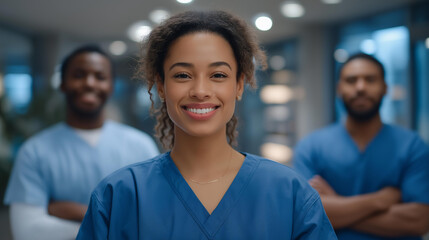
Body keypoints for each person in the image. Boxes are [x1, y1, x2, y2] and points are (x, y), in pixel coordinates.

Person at [76, 10, 337, 240]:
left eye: (218, 75)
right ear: (161, 86)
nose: (200, 90)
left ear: (238, 85)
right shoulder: (119, 196)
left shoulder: (290, 194)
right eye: (182, 75)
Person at [3, 45, 160, 240]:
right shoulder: (34, 151)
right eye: (78, 75)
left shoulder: (141, 146)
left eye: (100, 77)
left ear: (111, 86)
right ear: (62, 83)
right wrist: (118, 225)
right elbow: (28, 232)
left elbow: (155, 222)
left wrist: (78, 212)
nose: (89, 83)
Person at [293, 53, 429, 240]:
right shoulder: (311, 147)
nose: (360, 87)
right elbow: (304, 213)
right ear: (339, 89)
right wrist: (379, 200)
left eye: (370, 79)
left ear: (385, 88)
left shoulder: (412, 146)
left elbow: (419, 220)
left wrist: (337, 206)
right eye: (351, 80)